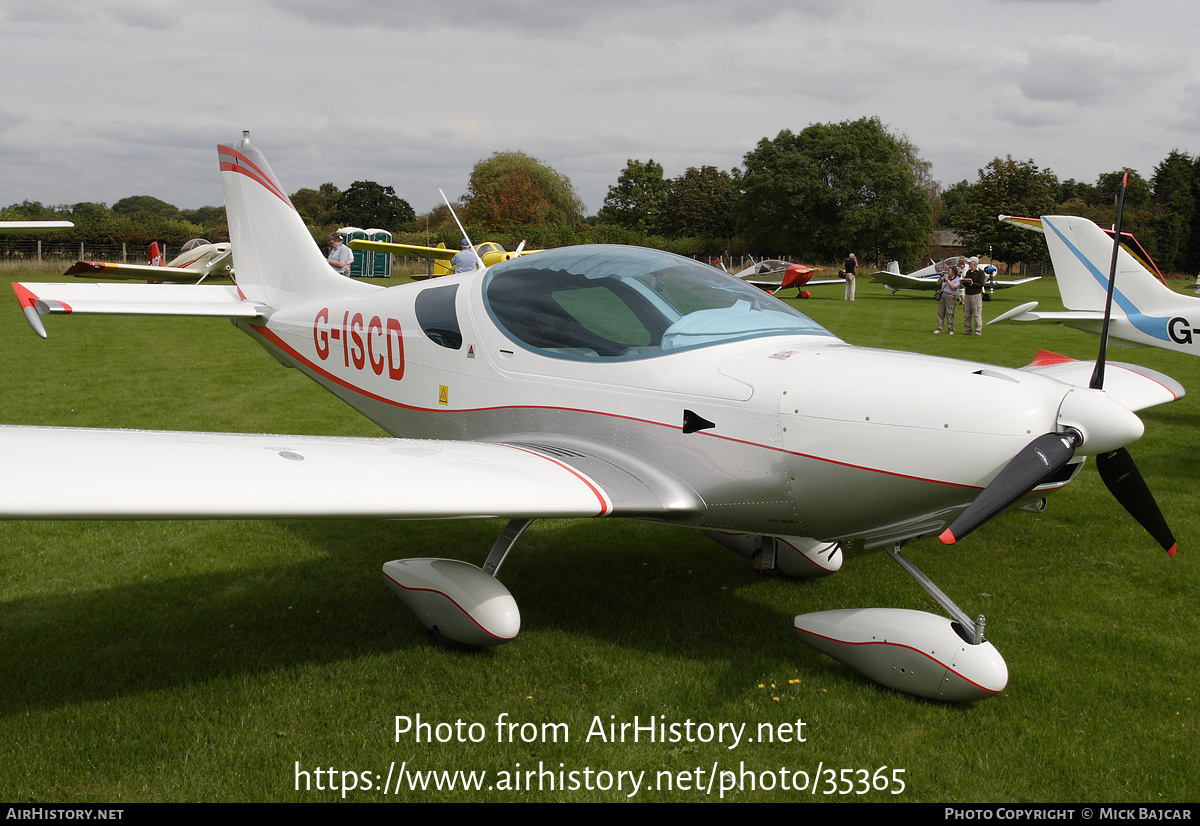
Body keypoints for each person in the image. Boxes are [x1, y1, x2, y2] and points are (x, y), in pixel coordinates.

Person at [962, 256, 986, 335]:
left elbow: (981, 284)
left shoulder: (980, 273)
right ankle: (967, 330)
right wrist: (964, 282)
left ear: (974, 264)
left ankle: (978, 330)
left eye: (970, 263)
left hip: (976, 294)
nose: (969, 264)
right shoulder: (969, 272)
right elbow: (965, 281)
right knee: (967, 314)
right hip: (968, 294)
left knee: (976, 313)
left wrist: (972, 283)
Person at [934, 264, 961, 334]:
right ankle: (939, 328)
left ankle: (951, 329)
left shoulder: (957, 279)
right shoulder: (945, 277)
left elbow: (953, 287)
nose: (948, 272)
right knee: (940, 312)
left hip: (951, 296)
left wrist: (948, 280)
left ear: (953, 272)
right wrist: (941, 277)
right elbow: (938, 283)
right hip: (943, 294)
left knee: (950, 313)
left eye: (949, 271)